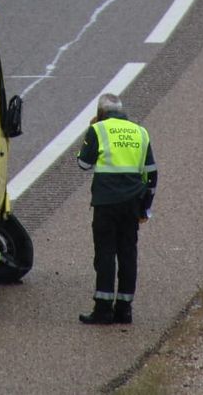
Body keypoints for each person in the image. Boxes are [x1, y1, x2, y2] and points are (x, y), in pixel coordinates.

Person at [75, 93, 157, 325]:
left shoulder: (98, 130)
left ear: (101, 112)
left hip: (106, 202)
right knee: (128, 253)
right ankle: (124, 309)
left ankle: (103, 309)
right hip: (132, 203)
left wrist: (89, 135)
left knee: (106, 253)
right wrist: (145, 208)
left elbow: (83, 163)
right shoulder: (140, 132)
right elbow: (152, 174)